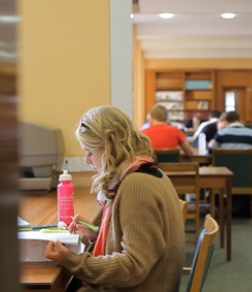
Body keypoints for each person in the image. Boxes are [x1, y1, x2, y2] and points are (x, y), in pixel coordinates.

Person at [44, 105, 185, 291]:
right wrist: (100, 232)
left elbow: (133, 267)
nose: (87, 160)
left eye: (89, 152)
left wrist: (70, 260)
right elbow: (142, 243)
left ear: (108, 147)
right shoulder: (145, 170)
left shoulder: (136, 185)